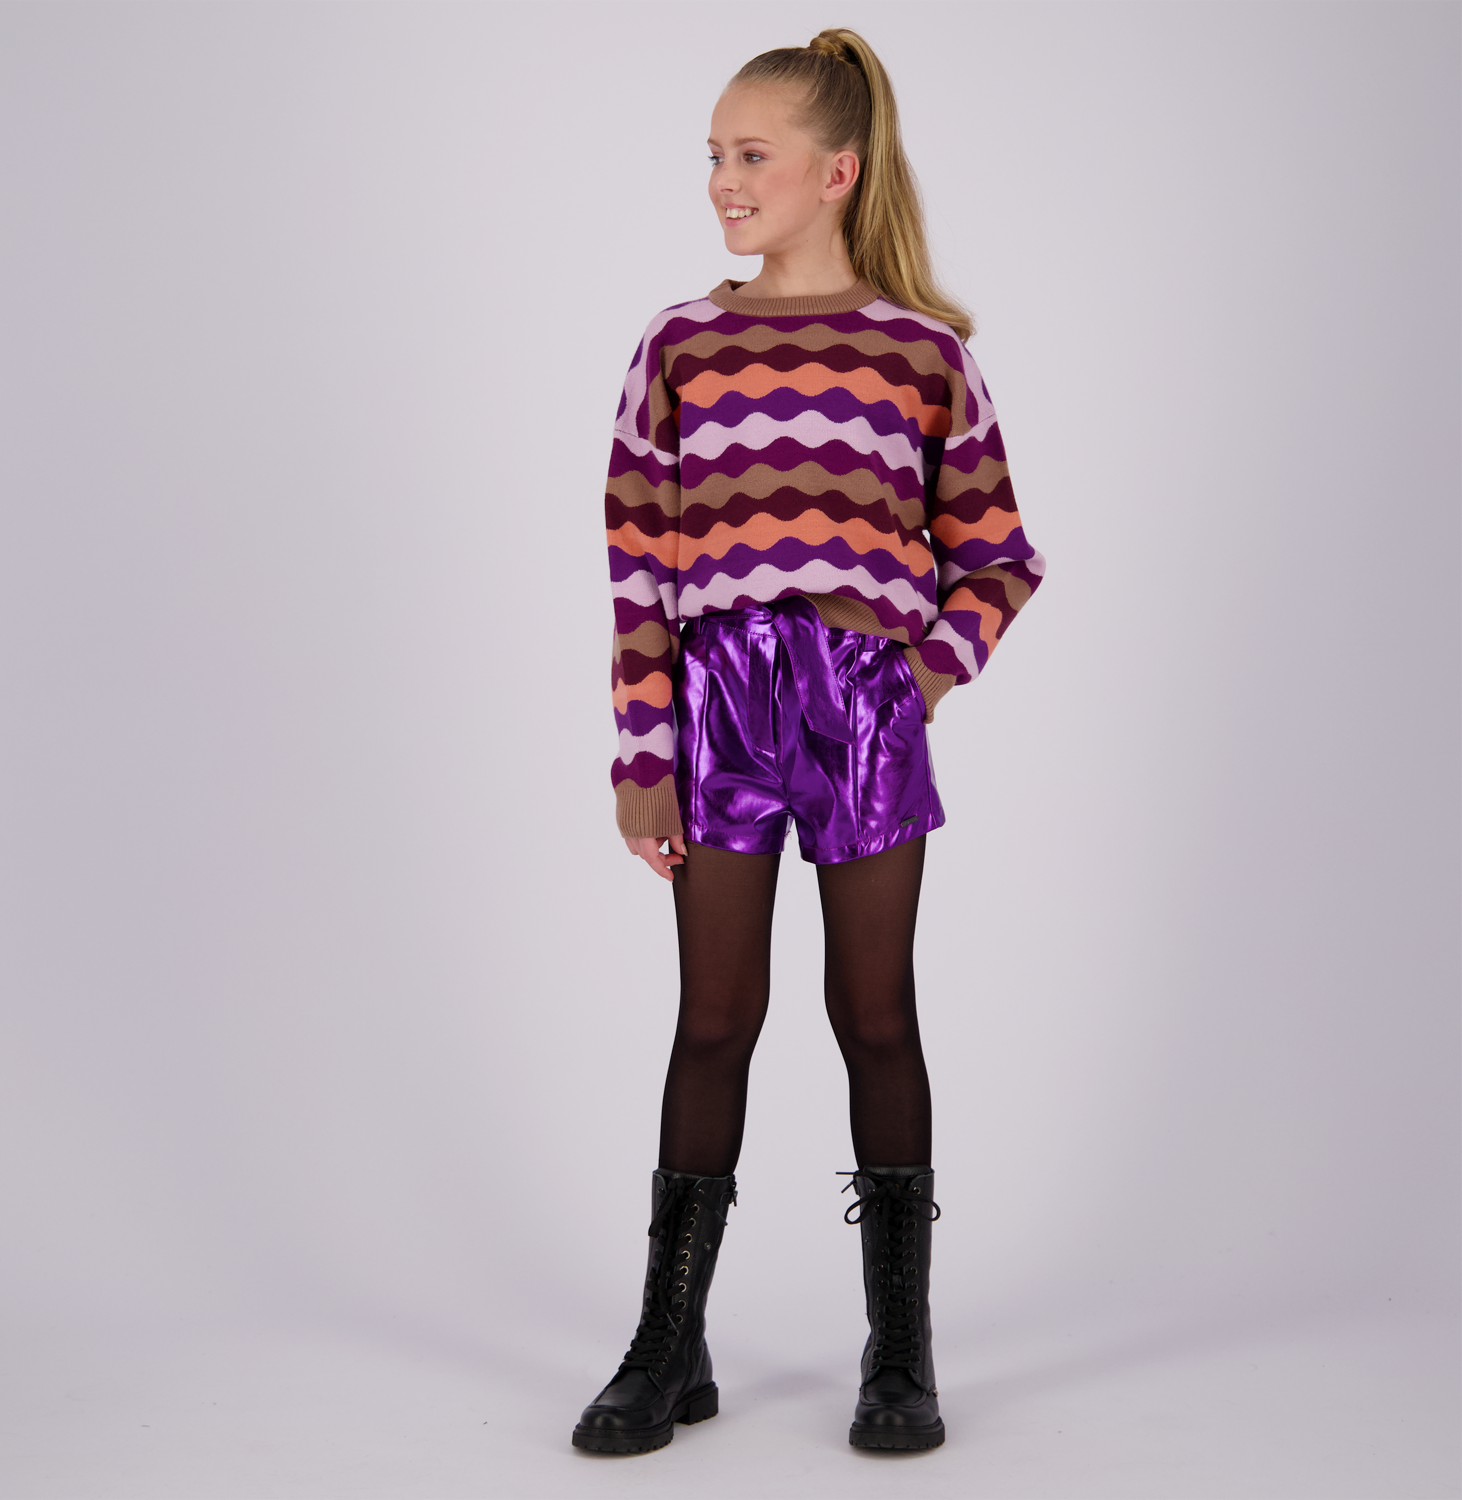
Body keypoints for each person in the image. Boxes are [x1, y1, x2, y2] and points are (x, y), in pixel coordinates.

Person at [573, 28, 1044, 1456]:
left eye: (751, 155)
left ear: (835, 173)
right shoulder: (679, 345)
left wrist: (918, 679)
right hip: (719, 699)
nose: (724, 180)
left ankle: (900, 1350)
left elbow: (1000, 554)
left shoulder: (923, 354)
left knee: (874, 1012)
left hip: (860, 699)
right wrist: (642, 755)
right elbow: (637, 564)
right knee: (714, 1018)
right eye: (714, 156)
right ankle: (669, 1342)